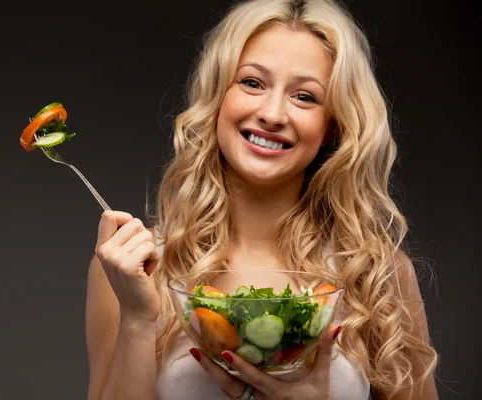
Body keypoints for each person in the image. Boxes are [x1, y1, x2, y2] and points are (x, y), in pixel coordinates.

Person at [85, 0, 439, 398]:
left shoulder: (376, 274)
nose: (272, 113)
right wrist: (137, 318)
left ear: (332, 128)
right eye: (252, 83)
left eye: (305, 96)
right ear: (218, 98)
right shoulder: (133, 268)